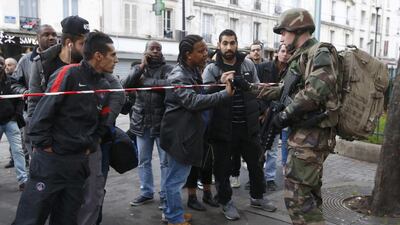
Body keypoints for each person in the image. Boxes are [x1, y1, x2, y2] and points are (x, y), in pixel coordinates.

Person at [236, 8, 339, 225]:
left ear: (297, 29)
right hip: (304, 135)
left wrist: (284, 115)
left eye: (283, 32)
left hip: (312, 137)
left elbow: (315, 92)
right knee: (308, 195)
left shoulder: (319, 53)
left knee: (298, 198)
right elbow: (283, 91)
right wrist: (249, 87)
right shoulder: (300, 57)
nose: (281, 37)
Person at [13, 31, 118, 225]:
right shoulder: (68, 73)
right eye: (113, 55)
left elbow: (102, 123)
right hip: (50, 162)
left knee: (67, 219)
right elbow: (42, 114)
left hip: (78, 165)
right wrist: (46, 147)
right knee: (30, 218)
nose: (116, 60)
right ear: (98, 55)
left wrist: (90, 145)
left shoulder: (104, 85)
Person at [202, 29, 276, 221]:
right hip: (223, 129)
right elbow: (204, 98)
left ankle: (258, 197)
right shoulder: (211, 69)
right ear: (219, 45)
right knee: (222, 169)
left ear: (236, 44)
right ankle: (226, 202)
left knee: (256, 163)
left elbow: (258, 89)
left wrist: (259, 109)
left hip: (248, 127)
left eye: (232, 43)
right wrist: (219, 83)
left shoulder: (248, 63)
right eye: (225, 43)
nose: (229, 47)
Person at [160, 34, 234, 225]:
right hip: (179, 137)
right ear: (187, 54)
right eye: (200, 51)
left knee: (173, 178)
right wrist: (224, 94)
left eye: (205, 49)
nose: (205, 54)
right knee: (175, 180)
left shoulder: (191, 71)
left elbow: (200, 94)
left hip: (185, 135)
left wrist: (219, 82)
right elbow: (193, 101)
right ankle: (174, 218)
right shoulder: (179, 75)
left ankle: (171, 212)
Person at [122, 41, 173, 209]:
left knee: (165, 162)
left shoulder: (168, 69)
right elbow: (125, 84)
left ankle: (165, 195)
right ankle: (146, 192)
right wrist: (141, 66)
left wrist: (144, 82)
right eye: (152, 48)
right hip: (141, 121)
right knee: (143, 160)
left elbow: (169, 86)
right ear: (145, 51)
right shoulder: (138, 68)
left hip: (161, 122)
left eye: (159, 48)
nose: (156, 51)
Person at [7, 25, 57, 170]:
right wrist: (26, 92)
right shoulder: (26, 60)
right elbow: (14, 83)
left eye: (54, 34)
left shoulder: (63, 58)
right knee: (36, 152)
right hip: (34, 113)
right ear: (37, 39)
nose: (52, 37)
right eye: (46, 35)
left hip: (58, 115)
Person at [262, 44, 291, 192]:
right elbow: (258, 91)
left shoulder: (292, 71)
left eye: (288, 52)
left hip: (280, 114)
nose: (285, 54)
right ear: (277, 53)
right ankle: (257, 177)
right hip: (263, 115)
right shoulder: (264, 67)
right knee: (259, 147)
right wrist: (262, 110)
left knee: (273, 148)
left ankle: (270, 178)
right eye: (283, 51)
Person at [0, 56, 28, 191]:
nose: (0, 66)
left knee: (18, 151)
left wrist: (16, 116)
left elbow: (20, 99)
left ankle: (23, 180)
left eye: (1, 64)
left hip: (10, 121)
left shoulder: (11, 82)